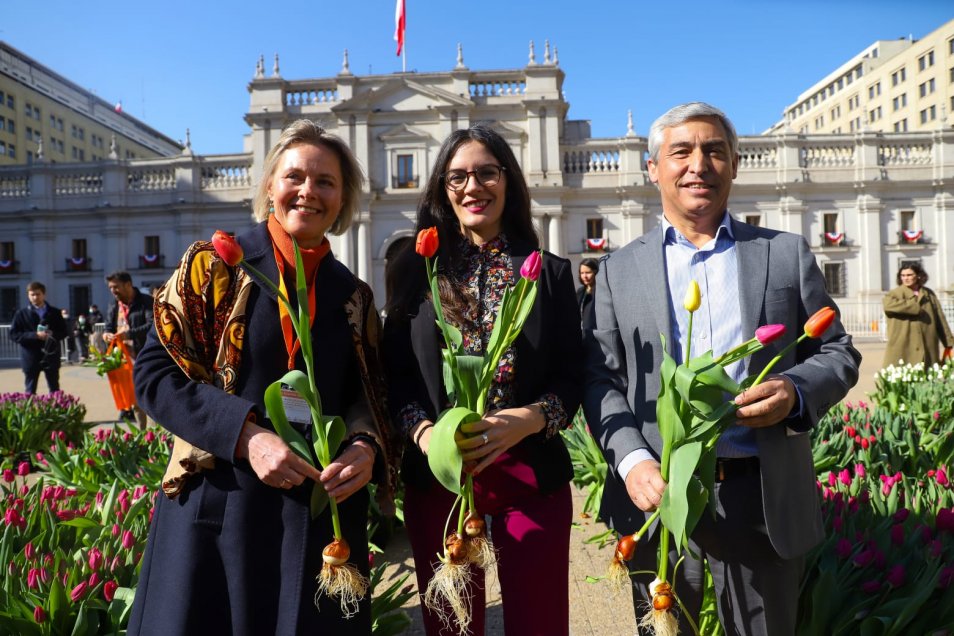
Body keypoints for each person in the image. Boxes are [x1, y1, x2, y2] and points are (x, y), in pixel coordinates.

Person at [583, 103, 861, 635]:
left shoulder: (784, 254)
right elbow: (603, 377)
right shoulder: (619, 270)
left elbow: (839, 351)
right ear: (653, 169)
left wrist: (794, 391)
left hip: (758, 491)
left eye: (714, 151)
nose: (698, 164)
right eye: (680, 151)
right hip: (658, 495)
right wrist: (632, 460)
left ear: (734, 165)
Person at [127, 119, 396, 635]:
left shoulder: (353, 295)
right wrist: (246, 436)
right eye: (294, 176)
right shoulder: (215, 266)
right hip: (222, 512)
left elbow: (369, 395)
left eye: (325, 182)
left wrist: (364, 446)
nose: (308, 192)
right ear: (270, 186)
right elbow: (155, 373)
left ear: (342, 201)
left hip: (322, 523)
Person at [383, 124, 583, 636]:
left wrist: (532, 417)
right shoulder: (416, 273)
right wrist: (427, 436)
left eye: (486, 173)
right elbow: (396, 376)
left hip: (528, 470)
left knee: (537, 622)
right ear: (442, 191)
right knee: (450, 624)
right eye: (457, 177)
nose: (473, 187)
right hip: (440, 478)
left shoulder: (548, 273)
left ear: (507, 181)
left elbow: (571, 374)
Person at [102, 272, 154, 426]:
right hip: (124, 360)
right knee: (134, 398)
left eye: (116, 287)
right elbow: (108, 326)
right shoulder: (113, 304)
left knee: (150, 395)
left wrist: (130, 334)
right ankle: (144, 434)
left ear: (128, 285)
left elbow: (152, 325)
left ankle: (158, 433)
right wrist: (106, 335)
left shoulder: (146, 302)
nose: (113, 290)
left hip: (145, 356)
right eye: (111, 287)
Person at [882, 263, 953, 368]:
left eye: (909, 275)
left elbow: (940, 319)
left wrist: (948, 342)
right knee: (901, 376)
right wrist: (914, 307)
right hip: (903, 345)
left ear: (918, 275)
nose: (906, 278)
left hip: (928, 344)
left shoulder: (928, 294)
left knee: (928, 376)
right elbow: (888, 306)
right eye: (903, 275)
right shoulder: (894, 294)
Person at [9, 281, 69, 394]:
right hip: (31, 357)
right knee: (30, 390)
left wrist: (52, 334)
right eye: (32, 294)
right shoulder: (21, 314)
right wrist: (34, 335)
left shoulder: (55, 312)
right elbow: (14, 334)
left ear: (43, 294)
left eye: (38, 294)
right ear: (28, 295)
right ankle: (30, 410)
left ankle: (56, 410)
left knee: (54, 389)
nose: (35, 297)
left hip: (50, 355)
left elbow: (64, 332)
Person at [576, 257, 599, 329]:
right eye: (582, 273)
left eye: (588, 272)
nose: (584, 276)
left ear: (596, 272)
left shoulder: (601, 291)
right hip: (582, 334)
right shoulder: (580, 291)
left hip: (596, 335)